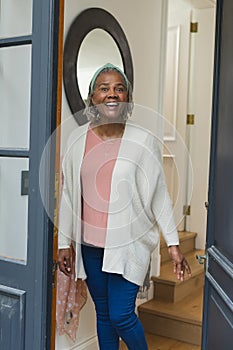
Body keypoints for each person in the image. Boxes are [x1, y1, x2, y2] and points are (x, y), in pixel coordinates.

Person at [58, 63, 191, 349]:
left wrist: (173, 244)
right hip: (89, 246)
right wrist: (63, 242)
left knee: (121, 315)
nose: (112, 94)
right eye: (103, 89)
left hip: (128, 244)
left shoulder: (143, 141)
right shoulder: (76, 139)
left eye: (119, 89)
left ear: (127, 99)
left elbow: (158, 195)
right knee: (104, 315)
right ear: (92, 98)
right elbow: (69, 194)